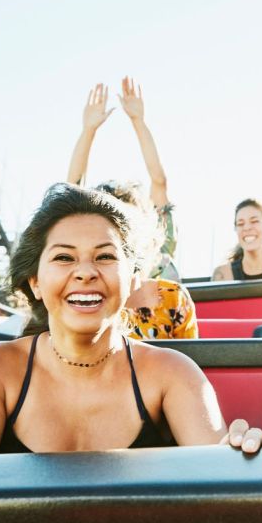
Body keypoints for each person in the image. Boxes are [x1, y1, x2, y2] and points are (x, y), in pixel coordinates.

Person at [0, 184, 262, 460]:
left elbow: (218, 482)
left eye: (105, 256)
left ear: (133, 279)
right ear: (35, 282)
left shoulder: (172, 374)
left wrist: (250, 455)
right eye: (63, 257)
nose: (85, 272)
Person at [67, 78, 196, 340]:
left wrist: (138, 121)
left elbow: (159, 182)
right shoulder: (92, 291)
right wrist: (88, 130)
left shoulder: (170, 290)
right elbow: (71, 192)